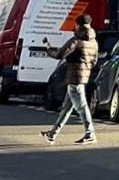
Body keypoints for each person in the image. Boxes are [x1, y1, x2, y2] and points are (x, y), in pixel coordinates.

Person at [42, 17, 99, 146]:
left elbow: (59, 55)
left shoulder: (76, 41)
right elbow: (94, 61)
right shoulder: (94, 42)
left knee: (82, 107)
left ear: (77, 25)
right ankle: (52, 134)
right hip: (83, 77)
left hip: (74, 77)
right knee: (66, 108)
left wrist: (48, 48)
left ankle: (90, 134)